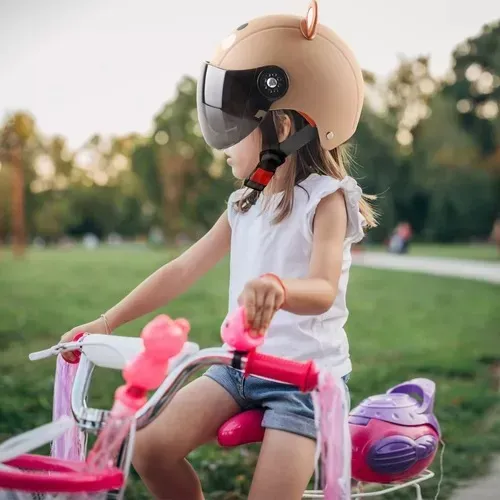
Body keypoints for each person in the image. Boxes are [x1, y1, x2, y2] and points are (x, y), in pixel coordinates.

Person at [59, 6, 376, 500]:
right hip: (237, 369)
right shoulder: (243, 204)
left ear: (284, 128)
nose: (222, 139)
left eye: (236, 122)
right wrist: (107, 321)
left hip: (303, 382)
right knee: (148, 447)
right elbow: (182, 268)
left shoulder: (326, 197)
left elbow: (322, 288)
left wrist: (280, 288)